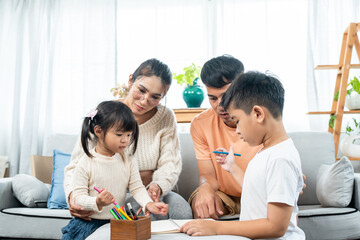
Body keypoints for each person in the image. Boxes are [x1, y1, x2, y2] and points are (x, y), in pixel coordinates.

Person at [64, 58, 192, 221]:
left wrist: (157, 184)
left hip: (145, 191)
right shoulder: (105, 115)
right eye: (141, 90)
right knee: (144, 217)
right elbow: (75, 166)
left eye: (155, 97)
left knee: (182, 211)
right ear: (131, 80)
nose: (145, 100)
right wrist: (72, 198)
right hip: (109, 196)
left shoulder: (165, 117)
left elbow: (170, 164)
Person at [181, 71, 305, 239]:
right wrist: (232, 167)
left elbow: (276, 227)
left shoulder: (280, 158)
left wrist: (217, 228)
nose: (237, 130)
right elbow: (254, 188)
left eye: (238, 120)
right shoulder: (267, 151)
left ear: (258, 114)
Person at [62, 101, 168, 240]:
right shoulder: (85, 162)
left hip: (118, 222)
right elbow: (78, 197)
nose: (125, 140)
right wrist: (97, 202)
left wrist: (148, 204)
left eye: (129, 135)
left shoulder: (128, 160)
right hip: (88, 224)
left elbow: (137, 187)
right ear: (99, 131)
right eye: (119, 135)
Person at [189, 55, 262, 220]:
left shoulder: (262, 116)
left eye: (226, 95)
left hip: (259, 193)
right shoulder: (200, 124)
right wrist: (205, 187)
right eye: (212, 98)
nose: (220, 105)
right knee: (202, 204)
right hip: (224, 195)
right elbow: (207, 174)